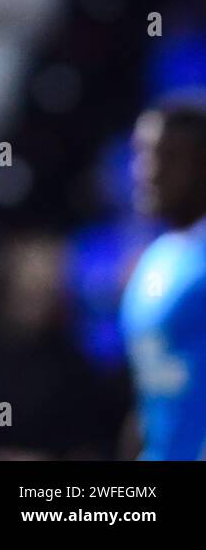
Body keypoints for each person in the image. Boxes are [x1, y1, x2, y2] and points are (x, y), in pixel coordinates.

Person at [120, 95, 206, 459]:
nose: (147, 171)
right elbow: (150, 398)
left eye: (167, 157)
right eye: (142, 154)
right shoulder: (156, 260)